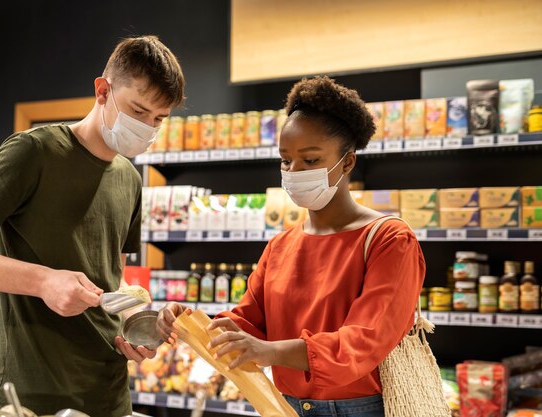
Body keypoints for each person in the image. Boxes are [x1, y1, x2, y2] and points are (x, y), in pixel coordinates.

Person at [0, 35, 185, 416]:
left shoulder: (129, 178)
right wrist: (44, 281)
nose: (147, 127)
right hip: (30, 396)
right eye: (138, 111)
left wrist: (131, 321)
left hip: (109, 395)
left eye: (159, 119)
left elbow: (111, 279)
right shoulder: (34, 152)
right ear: (102, 90)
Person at [157, 76, 425, 417]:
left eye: (310, 161)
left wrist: (271, 352)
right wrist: (191, 322)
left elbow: (363, 342)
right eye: (286, 161)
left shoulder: (390, 240)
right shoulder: (281, 245)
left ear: (347, 162)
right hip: (283, 406)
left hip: (361, 409)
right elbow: (249, 323)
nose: (294, 171)